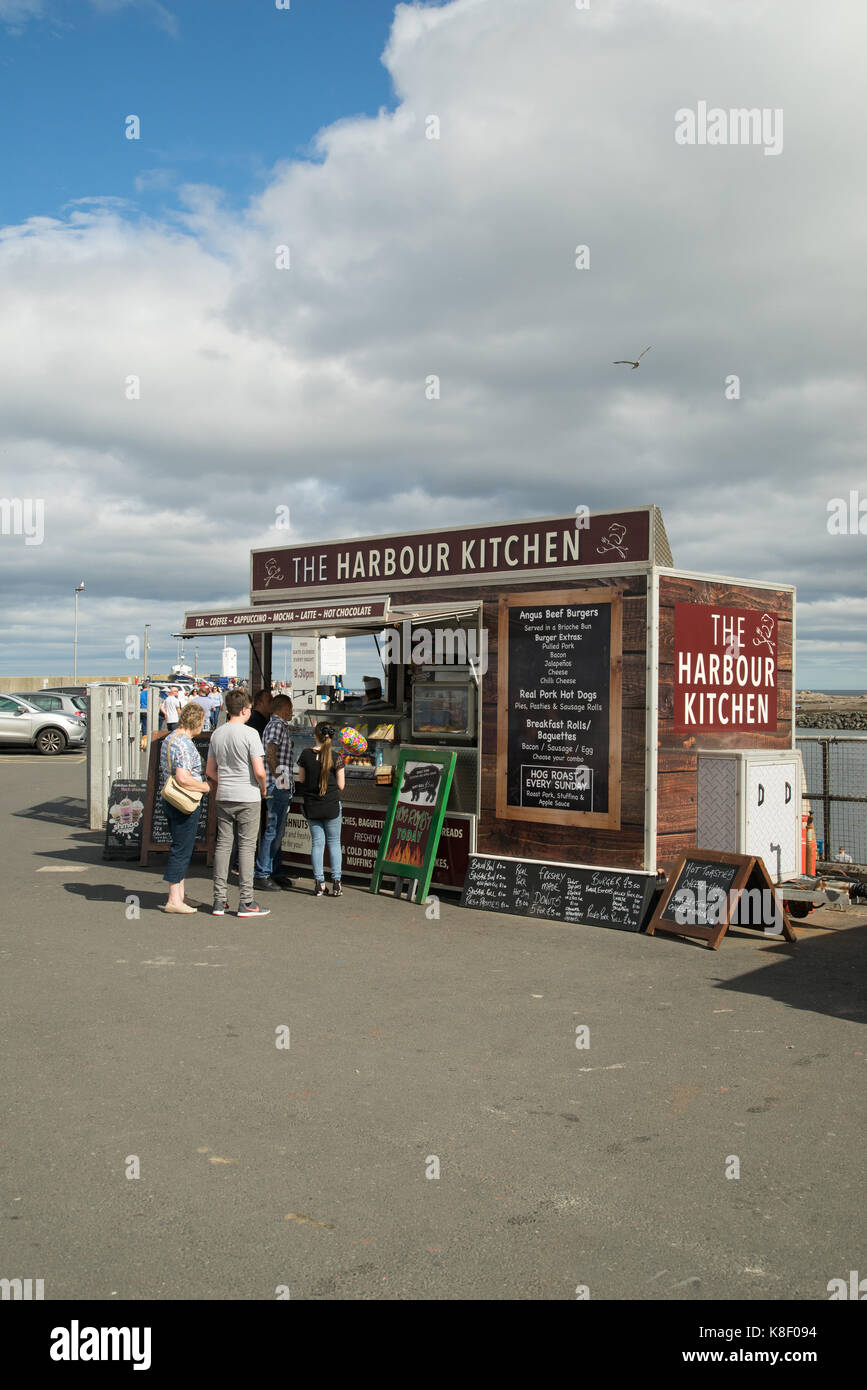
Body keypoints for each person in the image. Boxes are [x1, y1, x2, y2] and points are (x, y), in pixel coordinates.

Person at [206, 689, 270, 917]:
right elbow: (259, 770)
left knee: (223, 845)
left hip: (224, 795)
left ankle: (219, 900)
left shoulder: (217, 734)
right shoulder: (251, 734)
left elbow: (210, 771)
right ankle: (246, 901)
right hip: (248, 796)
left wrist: (227, 780)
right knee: (246, 847)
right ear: (244, 710)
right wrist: (262, 787)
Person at [159, 701, 210, 914]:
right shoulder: (185, 744)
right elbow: (182, 777)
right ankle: (174, 899)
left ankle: (180, 893)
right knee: (182, 849)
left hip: (168, 799)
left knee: (180, 846)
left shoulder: (169, 738)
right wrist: (205, 787)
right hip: (183, 800)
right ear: (196, 722)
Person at [296, 720, 345, 897]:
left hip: (312, 805)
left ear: (314, 735)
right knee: (334, 843)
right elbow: (341, 785)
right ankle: (337, 883)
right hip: (332, 805)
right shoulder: (337, 756)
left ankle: (319, 883)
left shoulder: (305, 754)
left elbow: (301, 779)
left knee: (317, 843)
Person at [253, 695, 296, 892]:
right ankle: (262, 873)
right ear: (284, 707)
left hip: (279, 784)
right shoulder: (277, 726)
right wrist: (282, 781)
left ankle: (275, 871)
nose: (292, 712)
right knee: (273, 830)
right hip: (277, 785)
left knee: (278, 830)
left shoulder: (277, 726)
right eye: (290, 708)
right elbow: (270, 755)